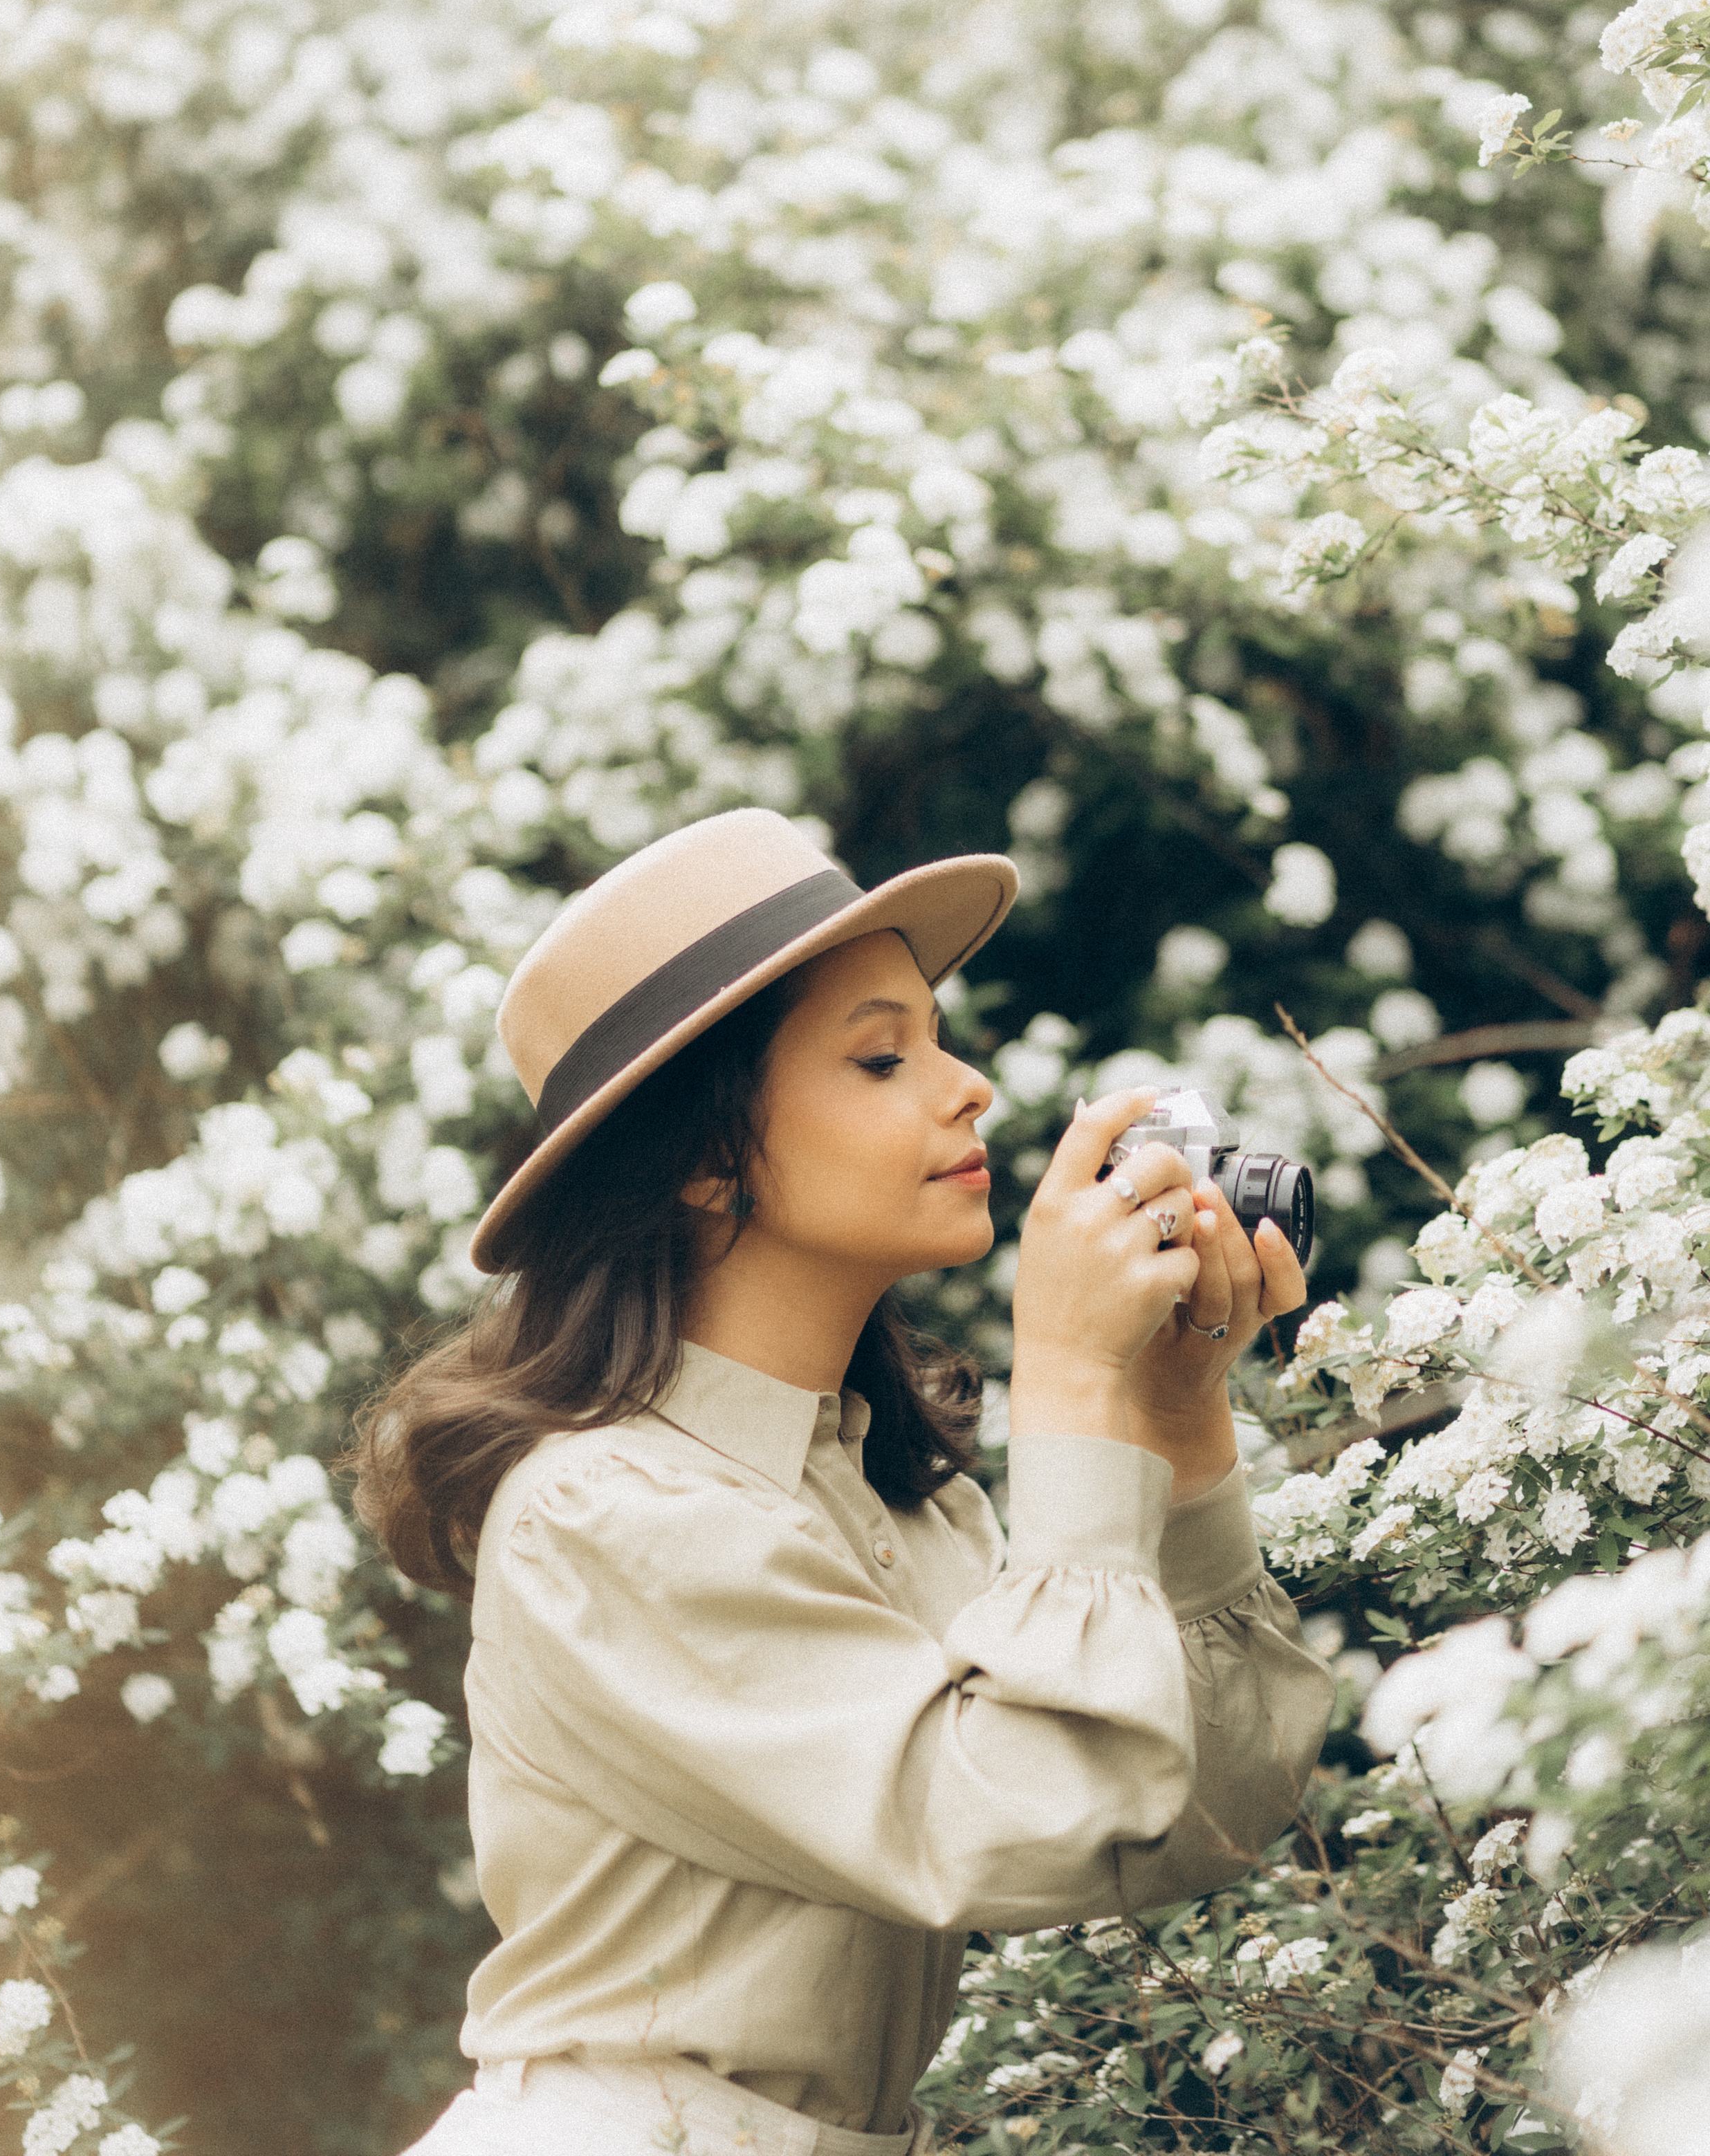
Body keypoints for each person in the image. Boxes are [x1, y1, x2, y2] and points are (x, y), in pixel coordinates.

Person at [356, 808, 1334, 2156]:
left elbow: (1183, 1827)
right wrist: (1066, 1378)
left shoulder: (903, 1502)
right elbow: (1024, 1818)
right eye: (882, 1057)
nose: (967, 1087)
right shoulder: (603, 1517)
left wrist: (1169, 1423)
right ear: (702, 1156)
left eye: (938, 1039)